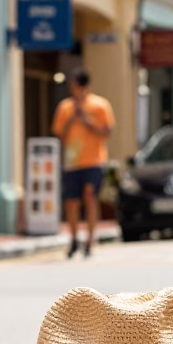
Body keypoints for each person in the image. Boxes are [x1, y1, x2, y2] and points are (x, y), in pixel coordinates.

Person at [51, 68, 115, 257]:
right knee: (71, 202)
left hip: (94, 159)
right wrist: (73, 117)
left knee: (89, 197)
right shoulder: (65, 107)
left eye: (78, 86)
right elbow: (59, 133)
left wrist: (88, 121)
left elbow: (107, 131)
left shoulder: (100, 105)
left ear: (86, 86)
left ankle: (89, 240)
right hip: (72, 161)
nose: (76, 90)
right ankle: (73, 238)